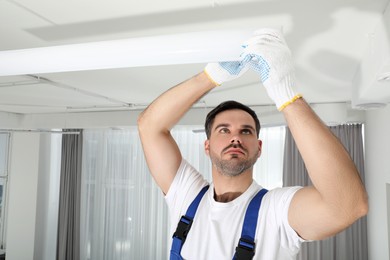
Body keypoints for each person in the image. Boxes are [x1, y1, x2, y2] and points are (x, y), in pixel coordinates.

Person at [137, 29, 368, 259]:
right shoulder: (187, 196)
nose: (235, 137)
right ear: (207, 146)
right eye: (224, 130)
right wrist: (211, 76)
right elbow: (149, 127)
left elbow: (347, 206)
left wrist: (285, 94)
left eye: (245, 131)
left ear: (259, 148)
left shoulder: (275, 212)